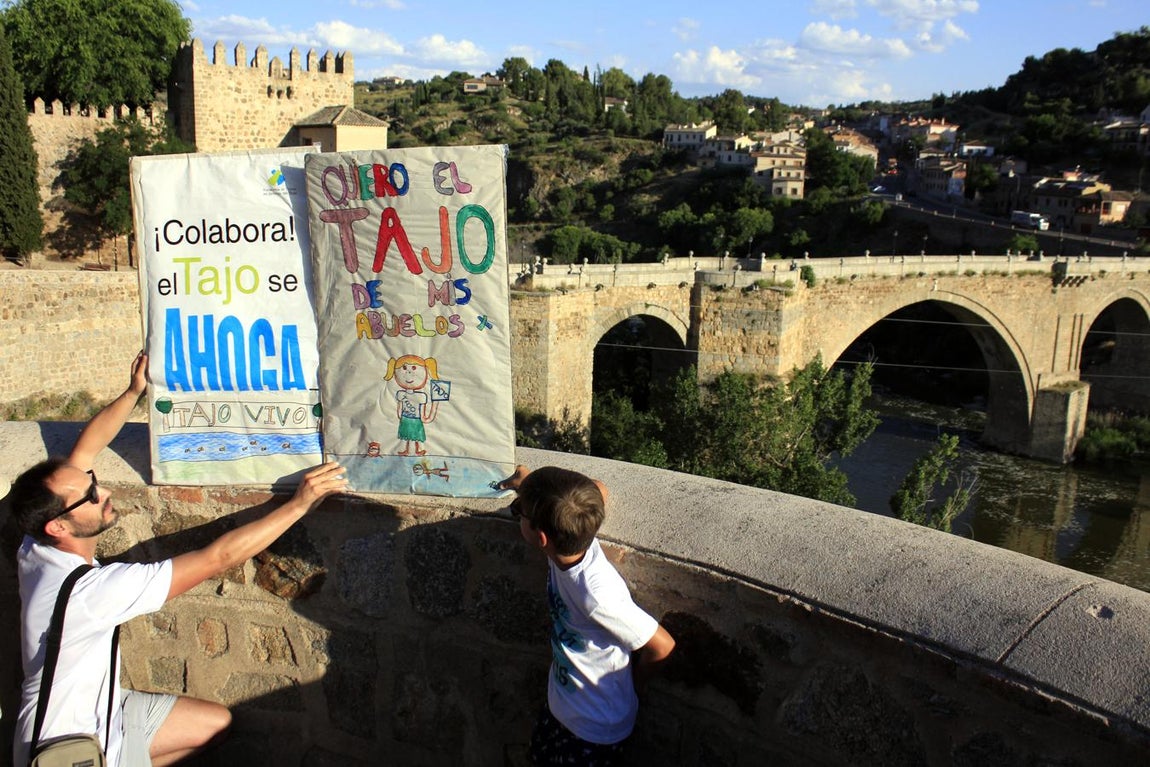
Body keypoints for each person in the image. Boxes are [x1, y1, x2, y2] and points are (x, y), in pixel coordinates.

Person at [8, 352, 348, 767]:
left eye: (93, 483)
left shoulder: (36, 544)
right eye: (90, 496)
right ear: (58, 526)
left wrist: (134, 391)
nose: (103, 491)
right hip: (72, 748)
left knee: (213, 724)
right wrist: (300, 504)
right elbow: (218, 557)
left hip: (105, 709)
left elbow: (83, 455)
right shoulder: (94, 593)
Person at [501, 465, 675, 765]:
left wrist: (634, 688)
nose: (518, 513)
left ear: (541, 537)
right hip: (565, 707)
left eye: (520, 512)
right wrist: (526, 485)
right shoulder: (576, 532)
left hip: (593, 729)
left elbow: (662, 646)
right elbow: (596, 489)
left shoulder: (595, 595)